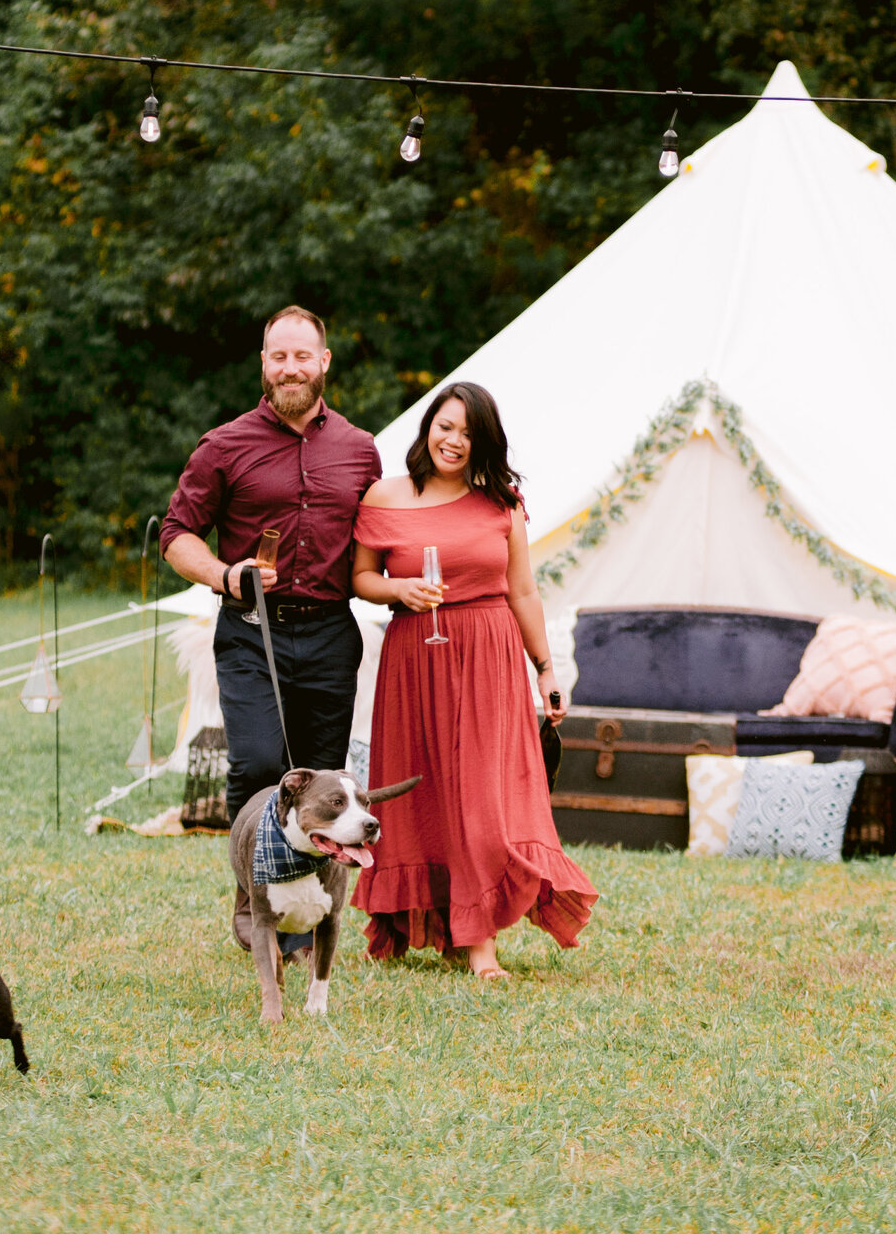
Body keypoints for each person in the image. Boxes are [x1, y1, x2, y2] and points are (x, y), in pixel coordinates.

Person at [350, 382, 596, 978]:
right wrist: (398, 589)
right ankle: (436, 923)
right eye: (445, 425)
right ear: (426, 426)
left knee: (482, 800)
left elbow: (523, 590)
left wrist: (545, 669)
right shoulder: (385, 497)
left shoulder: (501, 503)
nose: (453, 441)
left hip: (489, 659)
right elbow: (360, 577)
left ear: (484, 441)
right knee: (425, 797)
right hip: (415, 657)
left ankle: (481, 944)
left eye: (467, 432)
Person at [162, 305, 382, 953]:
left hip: (331, 632)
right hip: (250, 632)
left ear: (323, 362)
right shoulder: (223, 445)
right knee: (259, 763)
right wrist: (225, 575)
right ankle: (252, 896)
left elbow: (383, 534)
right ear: (264, 364)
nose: (290, 367)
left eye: (302, 355)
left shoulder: (359, 449)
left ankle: (305, 914)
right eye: (278, 356)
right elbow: (177, 536)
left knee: (326, 782)